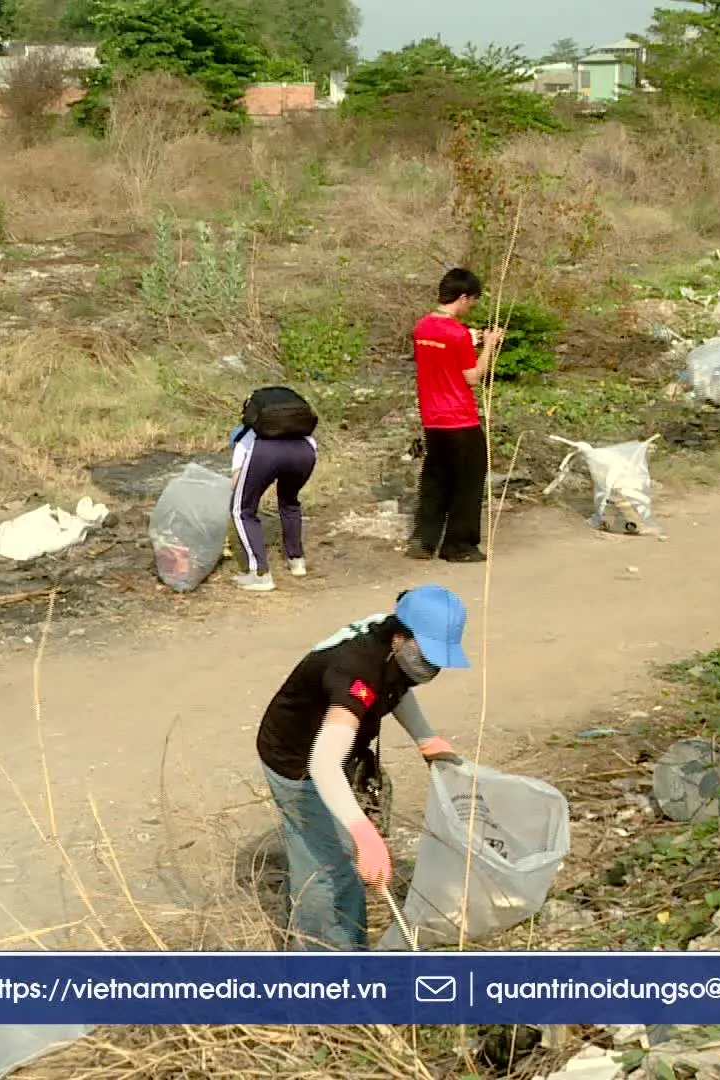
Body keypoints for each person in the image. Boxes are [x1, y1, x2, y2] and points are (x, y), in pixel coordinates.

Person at [254, 586, 471, 950]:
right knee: (326, 873)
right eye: (426, 655)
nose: (431, 667)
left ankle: (347, 952)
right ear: (401, 637)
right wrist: (364, 833)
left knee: (337, 857)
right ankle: (322, 971)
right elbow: (322, 764)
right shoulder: (354, 668)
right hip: (297, 761)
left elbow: (393, 688)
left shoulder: (393, 643)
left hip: (336, 751)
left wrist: (425, 738)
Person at [408, 269, 503, 563]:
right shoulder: (458, 334)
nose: (469, 307)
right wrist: (489, 345)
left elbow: (444, 352)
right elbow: (473, 376)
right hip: (460, 418)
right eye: (471, 301)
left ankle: (424, 540)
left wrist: (471, 338)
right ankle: (458, 545)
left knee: (436, 479)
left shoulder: (422, 327)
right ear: (463, 297)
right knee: (468, 482)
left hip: (433, 417)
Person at [228, 391, 319, 594]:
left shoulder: (244, 435)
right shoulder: (299, 429)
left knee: (242, 510)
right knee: (289, 501)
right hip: (306, 452)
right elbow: (313, 444)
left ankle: (260, 574)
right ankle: (297, 562)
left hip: (266, 453)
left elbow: (236, 480)